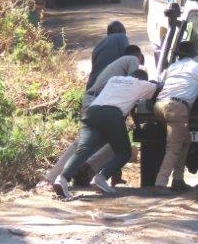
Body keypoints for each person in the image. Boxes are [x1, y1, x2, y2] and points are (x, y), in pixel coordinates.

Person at [45, 45, 145, 186]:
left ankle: (86, 170)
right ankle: (51, 179)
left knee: (115, 141)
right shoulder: (132, 59)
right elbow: (132, 84)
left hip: (100, 101)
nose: (138, 67)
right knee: (82, 143)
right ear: (139, 56)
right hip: (97, 101)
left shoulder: (119, 65)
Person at [53, 70, 157, 199]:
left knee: (84, 148)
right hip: (112, 115)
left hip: (92, 112)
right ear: (142, 79)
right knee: (124, 152)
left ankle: (62, 179)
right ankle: (101, 178)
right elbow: (157, 89)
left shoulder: (115, 78)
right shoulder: (141, 83)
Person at [153, 40, 198, 192]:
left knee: (186, 140)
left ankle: (178, 179)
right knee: (173, 148)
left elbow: (161, 83)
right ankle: (161, 183)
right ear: (195, 54)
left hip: (159, 106)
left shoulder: (171, 67)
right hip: (177, 108)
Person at [87, 21, 129, 88]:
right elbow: (128, 60)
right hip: (107, 86)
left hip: (92, 85)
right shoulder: (121, 37)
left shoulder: (99, 45)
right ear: (122, 31)